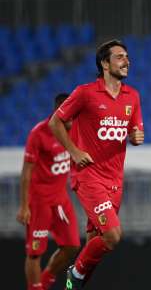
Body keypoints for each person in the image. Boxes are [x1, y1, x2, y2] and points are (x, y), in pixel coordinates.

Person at [48, 39, 144, 289]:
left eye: (127, 56)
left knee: (94, 249)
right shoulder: (85, 93)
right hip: (88, 176)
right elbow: (55, 123)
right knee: (113, 236)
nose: (127, 61)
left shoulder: (132, 96)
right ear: (104, 63)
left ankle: (73, 283)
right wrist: (74, 150)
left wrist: (136, 137)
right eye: (120, 57)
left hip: (115, 180)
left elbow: (135, 132)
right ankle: (73, 275)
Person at [17, 93, 80, 290]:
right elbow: (26, 171)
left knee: (72, 246)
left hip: (60, 198)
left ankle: (45, 281)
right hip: (39, 201)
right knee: (35, 252)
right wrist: (24, 206)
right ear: (57, 111)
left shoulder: (74, 129)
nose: (71, 117)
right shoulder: (39, 133)